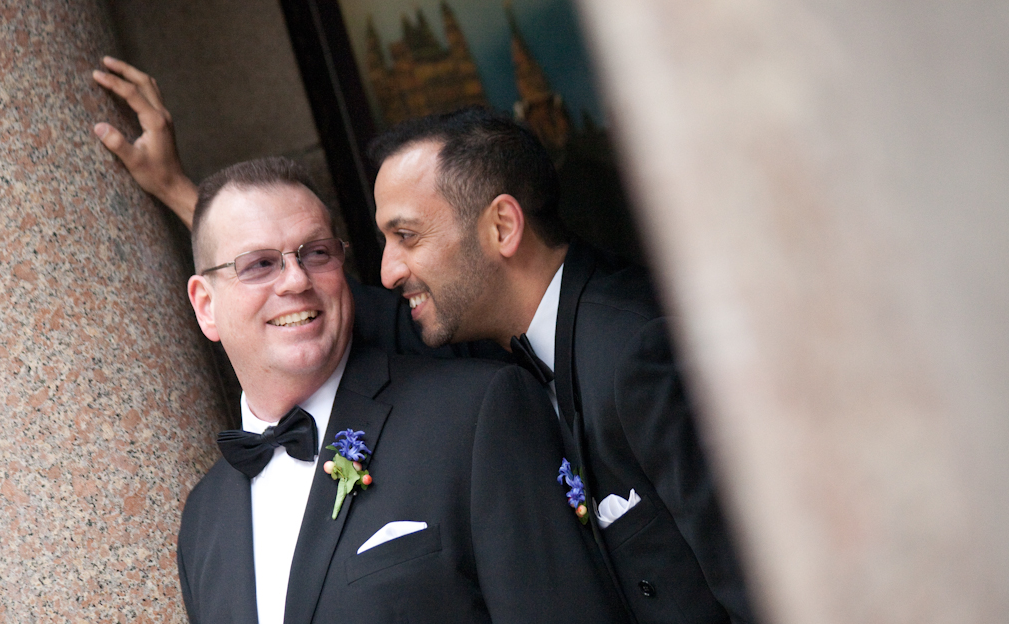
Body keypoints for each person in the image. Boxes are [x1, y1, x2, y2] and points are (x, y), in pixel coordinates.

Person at [93, 59, 755, 624]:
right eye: (379, 243)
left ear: (501, 228)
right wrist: (186, 196)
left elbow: (764, 576)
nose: (387, 271)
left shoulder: (638, 346)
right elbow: (304, 302)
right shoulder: (470, 334)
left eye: (405, 237)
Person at [176, 155, 626, 624]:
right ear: (206, 307)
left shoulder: (474, 415)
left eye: (317, 254)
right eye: (260, 264)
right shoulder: (204, 520)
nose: (296, 280)